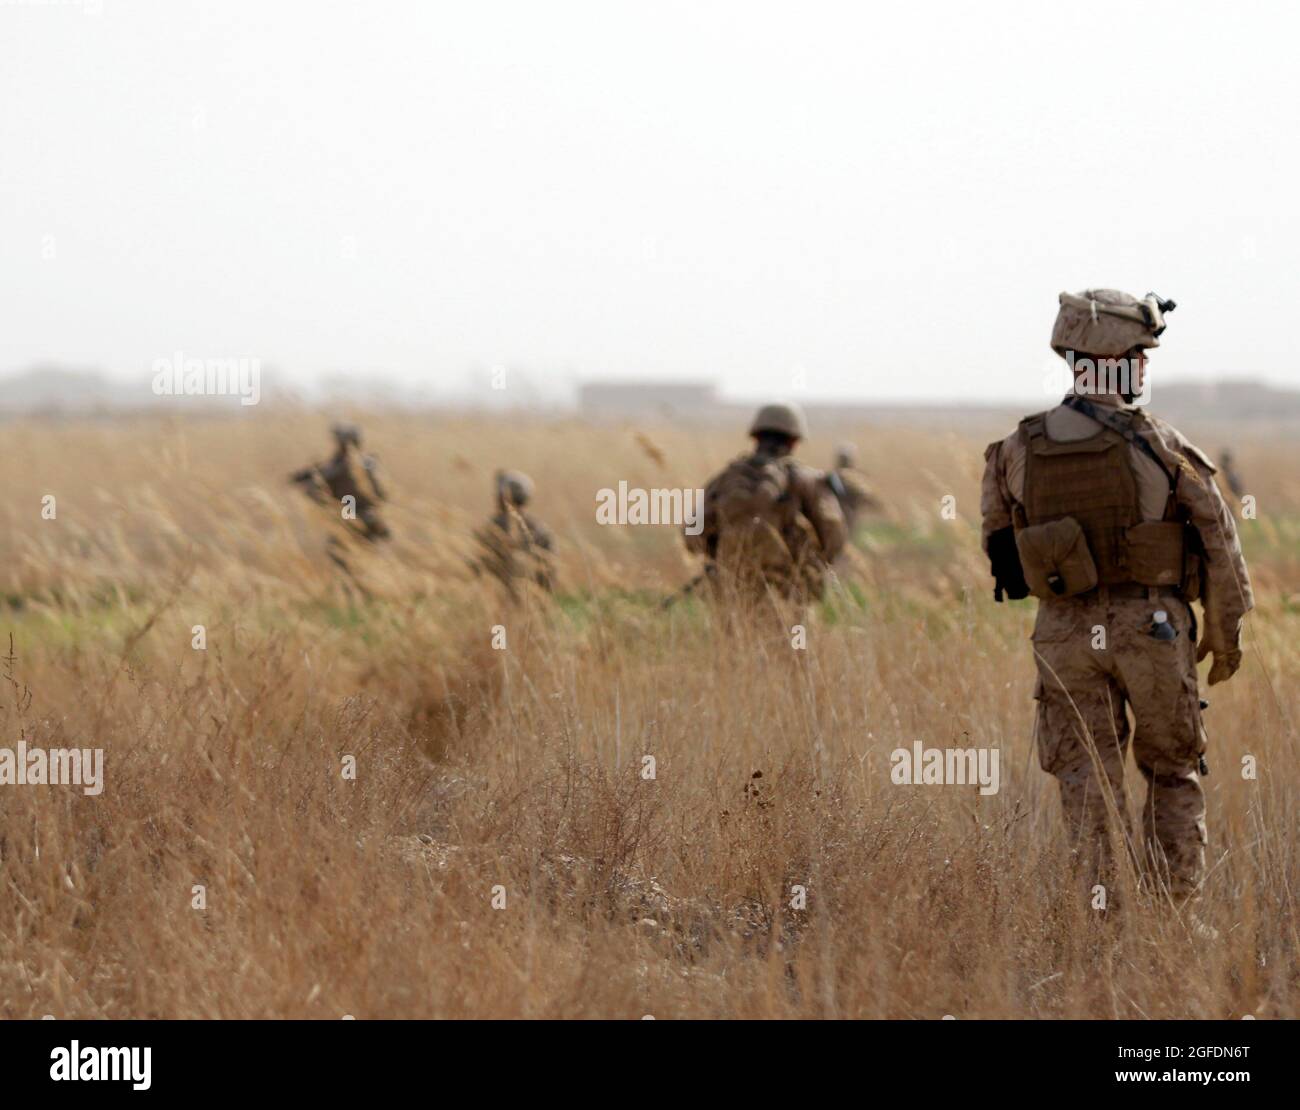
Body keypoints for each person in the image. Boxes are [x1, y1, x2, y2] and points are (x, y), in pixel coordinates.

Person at [980, 289, 1253, 928]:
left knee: (1086, 785)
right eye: (1141, 354)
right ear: (1118, 358)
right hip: (1152, 633)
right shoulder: (1160, 442)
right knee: (1171, 773)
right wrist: (1227, 631)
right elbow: (1220, 543)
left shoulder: (1016, 447)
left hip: (1063, 635)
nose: (1146, 368)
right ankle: (1176, 920)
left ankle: (1103, 924)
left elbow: (1000, 552)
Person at [683, 402, 846, 604]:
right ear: (794, 440)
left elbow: (692, 534)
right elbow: (833, 535)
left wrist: (719, 554)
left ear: (756, 436)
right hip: (789, 591)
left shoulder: (726, 478)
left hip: (731, 588)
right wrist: (809, 564)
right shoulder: (806, 480)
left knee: (732, 635)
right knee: (794, 636)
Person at [290, 423, 390, 541]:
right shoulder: (366, 461)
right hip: (363, 512)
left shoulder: (346, 464)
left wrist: (306, 479)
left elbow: (322, 476)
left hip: (351, 510)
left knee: (345, 546)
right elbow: (381, 494)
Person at [473, 470, 555, 599]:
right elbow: (550, 575)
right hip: (532, 601)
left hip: (496, 602)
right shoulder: (541, 530)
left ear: (501, 497)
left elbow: (476, 568)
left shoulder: (491, 528)